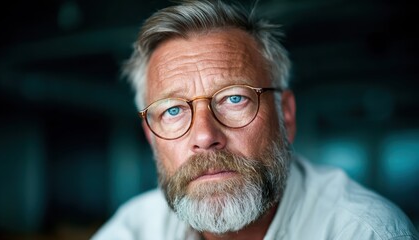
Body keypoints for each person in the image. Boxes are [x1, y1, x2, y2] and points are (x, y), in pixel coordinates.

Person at [92, 0, 419, 239]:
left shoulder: (364, 232)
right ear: (151, 135)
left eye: (234, 98)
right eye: (172, 110)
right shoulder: (133, 230)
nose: (205, 135)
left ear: (285, 114)